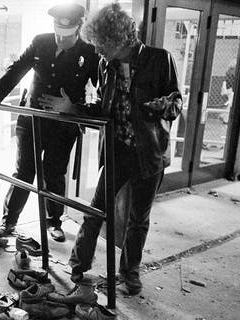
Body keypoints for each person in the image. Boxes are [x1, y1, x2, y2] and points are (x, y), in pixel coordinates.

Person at [40, 3, 182, 294]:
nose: (98, 51)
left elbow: (177, 101)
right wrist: (73, 109)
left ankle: (129, 273)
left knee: (138, 218)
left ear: (117, 40)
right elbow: (104, 110)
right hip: (117, 149)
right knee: (96, 210)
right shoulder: (107, 65)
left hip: (150, 152)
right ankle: (78, 266)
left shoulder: (160, 59)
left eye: (101, 45)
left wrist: (161, 106)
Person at [0, 2, 100, 242]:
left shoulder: (90, 52)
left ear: (79, 28)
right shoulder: (41, 41)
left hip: (63, 125)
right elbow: (17, 70)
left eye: (66, 36)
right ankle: (9, 221)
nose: (60, 39)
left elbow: (103, 91)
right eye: (57, 33)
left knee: (54, 174)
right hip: (31, 119)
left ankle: (54, 222)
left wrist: (75, 108)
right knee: (24, 171)